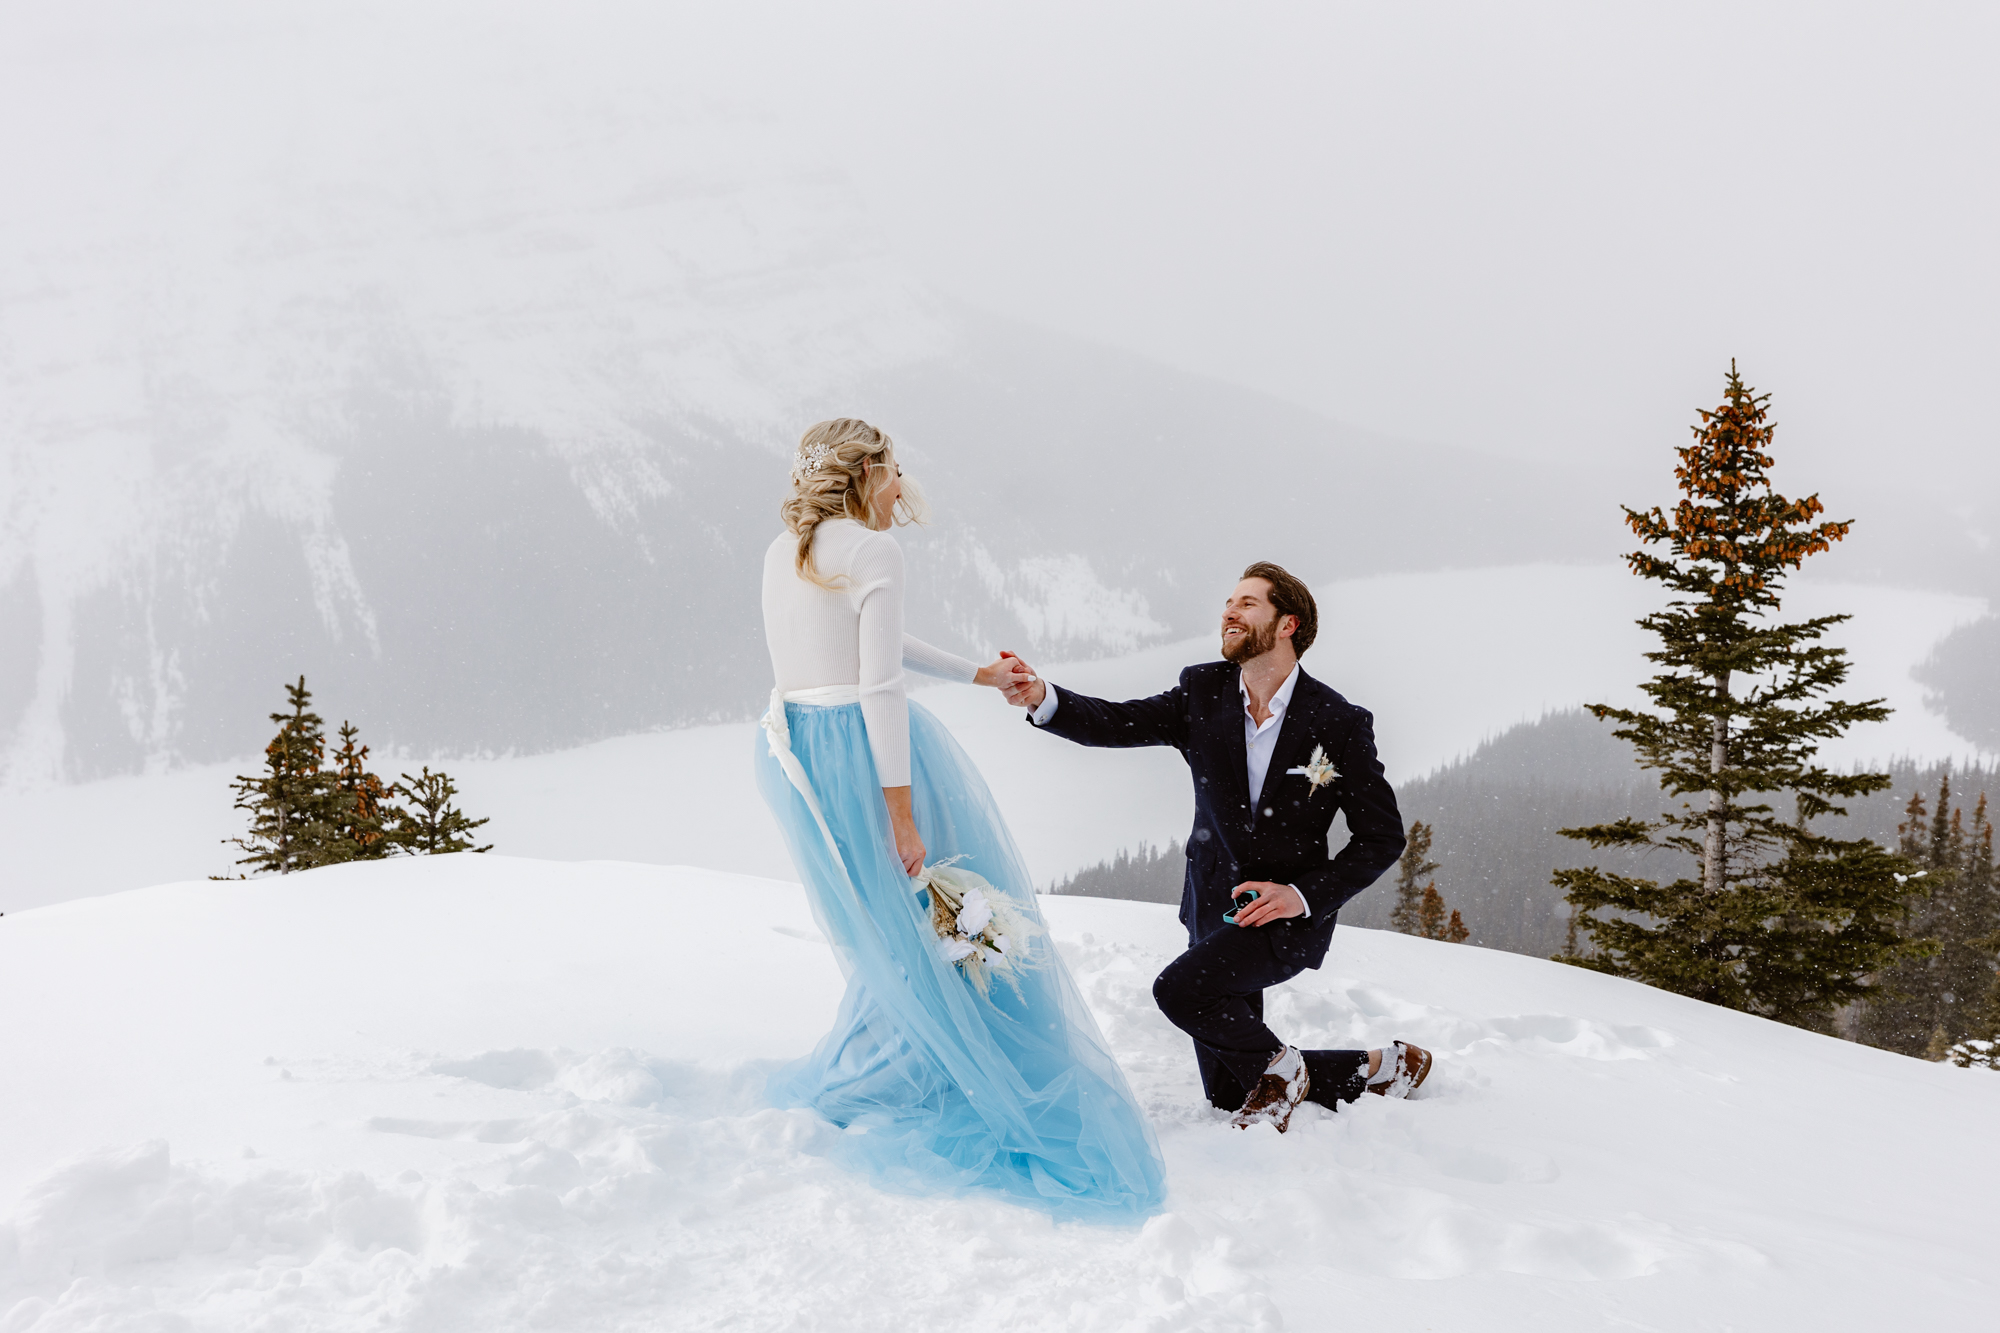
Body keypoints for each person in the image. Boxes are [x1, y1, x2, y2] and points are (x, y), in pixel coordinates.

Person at [754, 418, 1167, 1222]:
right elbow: (877, 686)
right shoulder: (875, 550)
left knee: (891, 930)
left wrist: (977, 671)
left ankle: (919, 1048)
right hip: (863, 754)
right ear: (868, 470)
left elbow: (865, 640)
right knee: (945, 915)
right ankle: (972, 1064)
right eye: (896, 468)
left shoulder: (785, 549)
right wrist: (901, 816)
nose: (903, 484)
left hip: (795, 755)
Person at [1000, 563, 1433, 1132]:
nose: (1229, 611)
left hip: (1283, 917)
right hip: (1211, 905)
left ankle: (1286, 1071)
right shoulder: (1201, 691)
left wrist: (1299, 895)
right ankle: (1382, 1068)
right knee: (1234, 1091)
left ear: (1287, 625)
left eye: (1248, 604)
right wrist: (1042, 696)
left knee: (1181, 989)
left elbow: (1382, 837)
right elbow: (1114, 721)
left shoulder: (1339, 721)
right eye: (1229, 601)